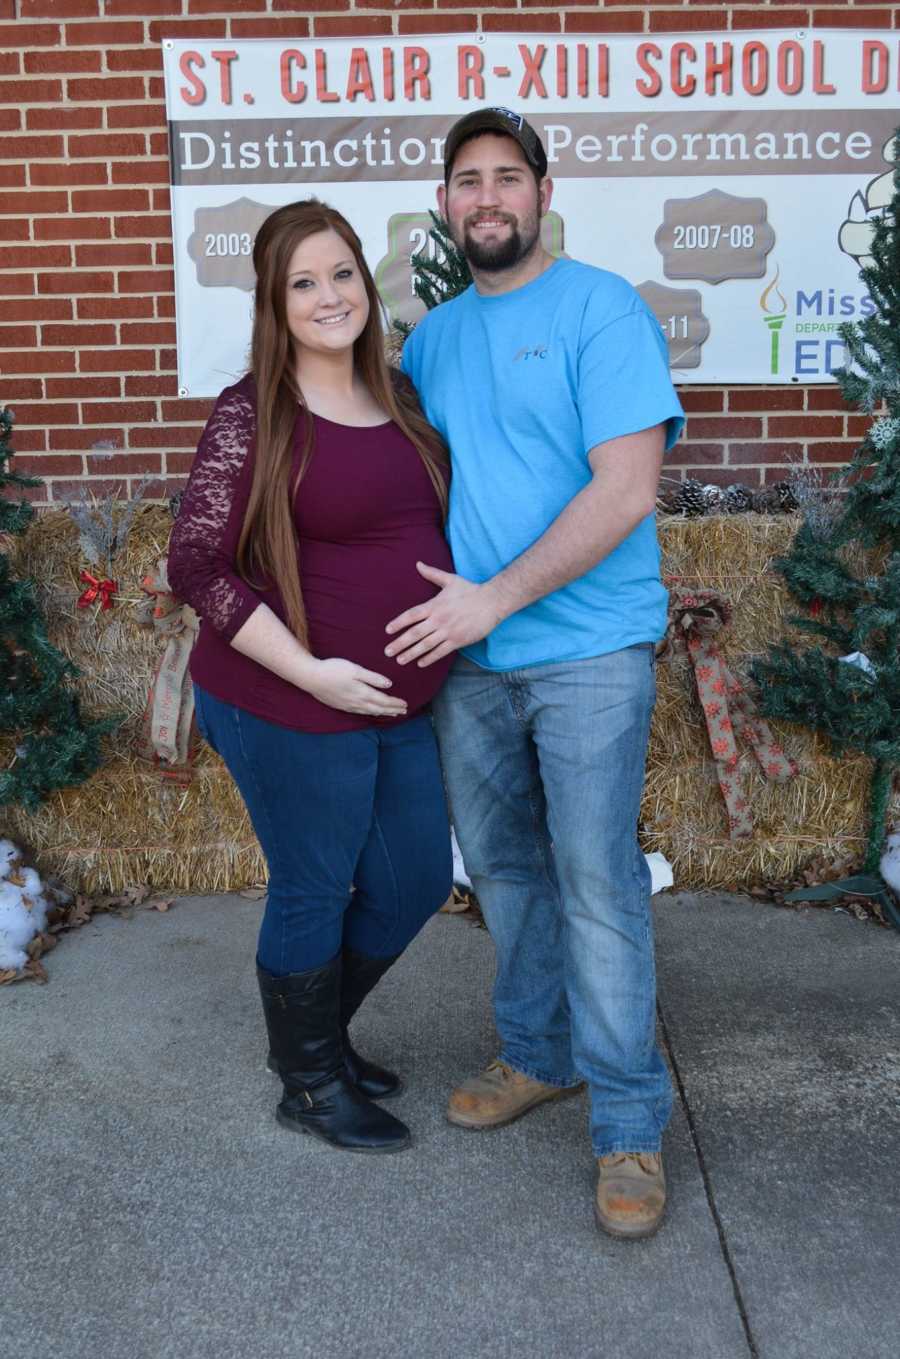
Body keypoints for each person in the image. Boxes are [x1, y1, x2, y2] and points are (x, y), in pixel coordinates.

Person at [388, 108, 685, 1235]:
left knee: (598, 880)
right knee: (504, 871)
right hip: (470, 659)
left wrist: (493, 600)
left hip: (588, 650)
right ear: (448, 205)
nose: (488, 198)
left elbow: (623, 490)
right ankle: (538, 1053)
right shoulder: (437, 339)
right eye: (468, 181)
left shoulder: (601, 309)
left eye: (507, 177)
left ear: (544, 192)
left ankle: (627, 1126)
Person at [167, 199, 454, 1156]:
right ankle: (310, 1082)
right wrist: (313, 673)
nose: (329, 297)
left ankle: (317, 1037)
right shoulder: (254, 411)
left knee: (413, 879)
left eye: (342, 274)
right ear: (272, 302)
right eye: (303, 282)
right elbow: (194, 566)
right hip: (285, 697)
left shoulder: (400, 397)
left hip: (393, 701)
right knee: (313, 888)